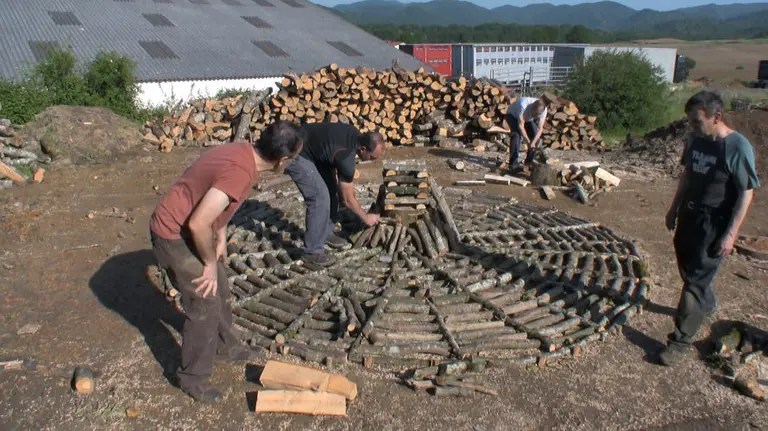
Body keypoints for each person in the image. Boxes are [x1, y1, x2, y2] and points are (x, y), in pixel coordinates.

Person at [148, 120, 305, 403]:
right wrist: (207, 263)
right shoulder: (240, 171)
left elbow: (215, 203)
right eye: (294, 157)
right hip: (173, 233)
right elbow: (197, 223)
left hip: (191, 228)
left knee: (220, 285)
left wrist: (220, 235)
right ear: (282, 160)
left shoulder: (243, 153)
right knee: (205, 300)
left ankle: (226, 347)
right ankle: (192, 377)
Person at [660, 90, 760, 366]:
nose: (692, 127)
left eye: (697, 121)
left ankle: (679, 341)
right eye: (690, 121)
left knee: (694, 281)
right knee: (687, 264)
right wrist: (673, 208)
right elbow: (687, 176)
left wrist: (730, 235)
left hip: (714, 223)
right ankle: (707, 299)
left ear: (717, 117)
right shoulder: (695, 140)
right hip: (690, 216)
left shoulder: (737, 147)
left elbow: (745, 193)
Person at [285, 122, 384, 267]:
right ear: (363, 149)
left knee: (331, 188)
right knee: (319, 197)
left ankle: (325, 232)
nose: (372, 161)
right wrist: (366, 217)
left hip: (316, 152)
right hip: (296, 152)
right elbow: (347, 200)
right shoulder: (346, 158)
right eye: (372, 157)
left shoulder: (354, 135)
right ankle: (312, 251)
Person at [504, 95, 547, 173]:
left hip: (527, 118)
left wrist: (533, 142)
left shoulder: (544, 109)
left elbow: (540, 128)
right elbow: (521, 125)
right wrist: (527, 141)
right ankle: (513, 165)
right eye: (535, 115)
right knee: (516, 135)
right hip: (512, 115)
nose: (536, 117)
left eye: (538, 115)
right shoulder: (523, 104)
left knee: (534, 136)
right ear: (532, 108)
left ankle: (528, 163)